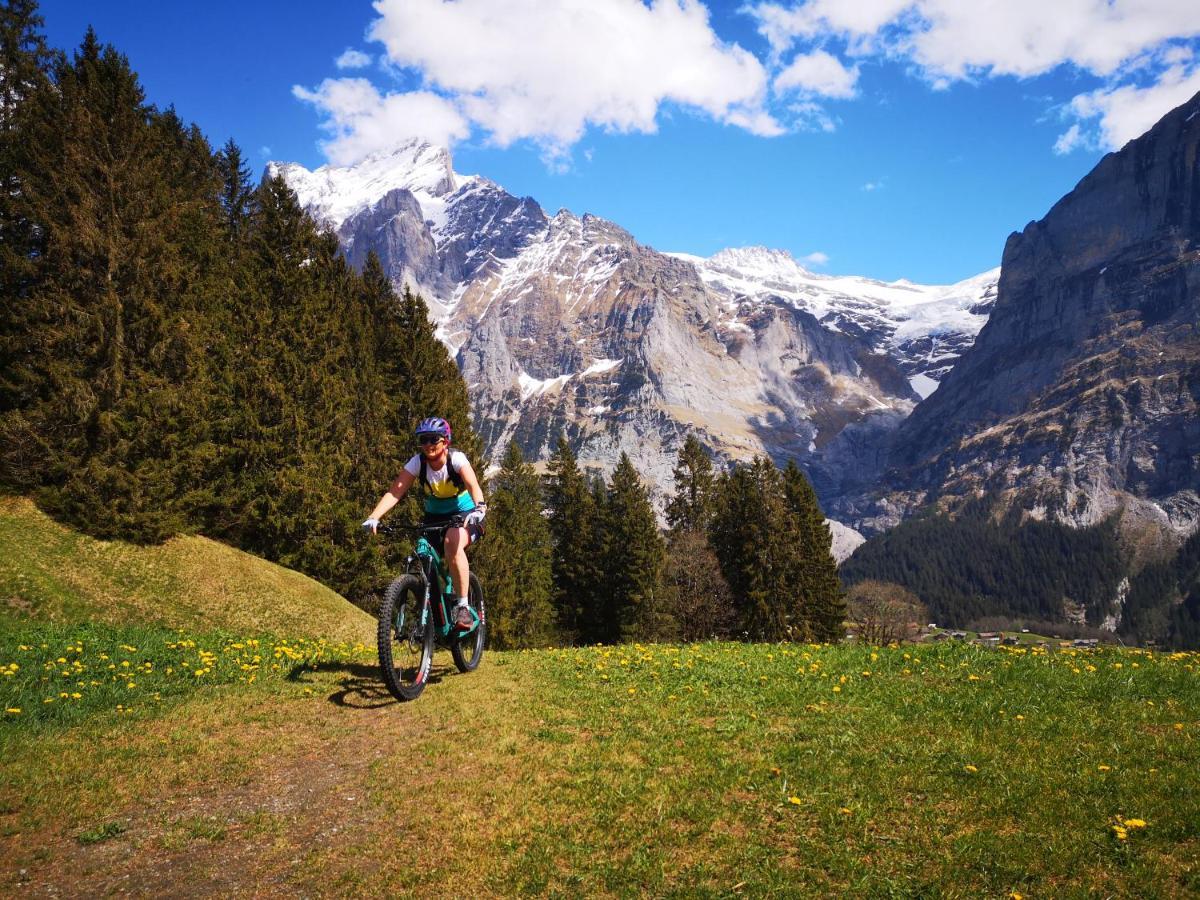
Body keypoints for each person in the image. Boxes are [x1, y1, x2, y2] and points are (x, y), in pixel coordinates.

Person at [363, 417, 486, 629]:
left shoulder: (456, 460)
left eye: (433, 439)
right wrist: (374, 516)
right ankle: (432, 604)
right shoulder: (417, 463)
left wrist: (480, 508)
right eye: (423, 440)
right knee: (423, 551)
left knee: (452, 543)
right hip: (434, 517)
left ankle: (463, 606)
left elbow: (473, 485)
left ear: (445, 441)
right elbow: (395, 492)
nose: (428, 444)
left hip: (465, 513)